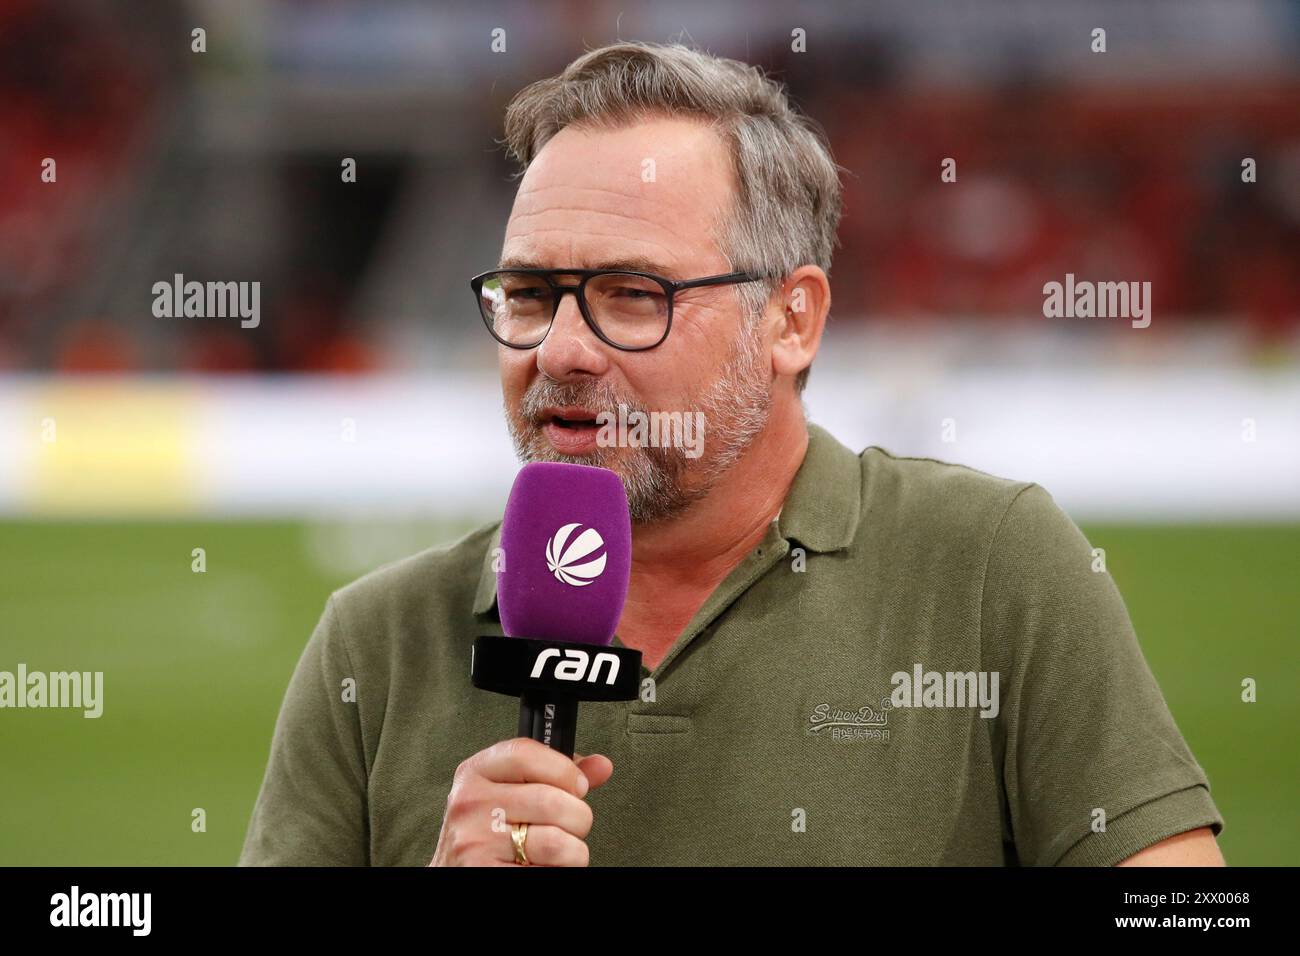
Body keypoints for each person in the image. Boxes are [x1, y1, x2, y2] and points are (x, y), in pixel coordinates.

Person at [239, 41, 1223, 867]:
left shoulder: (990, 565)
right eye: (530, 295)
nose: (562, 349)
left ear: (791, 320)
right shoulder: (374, 639)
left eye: (633, 293)